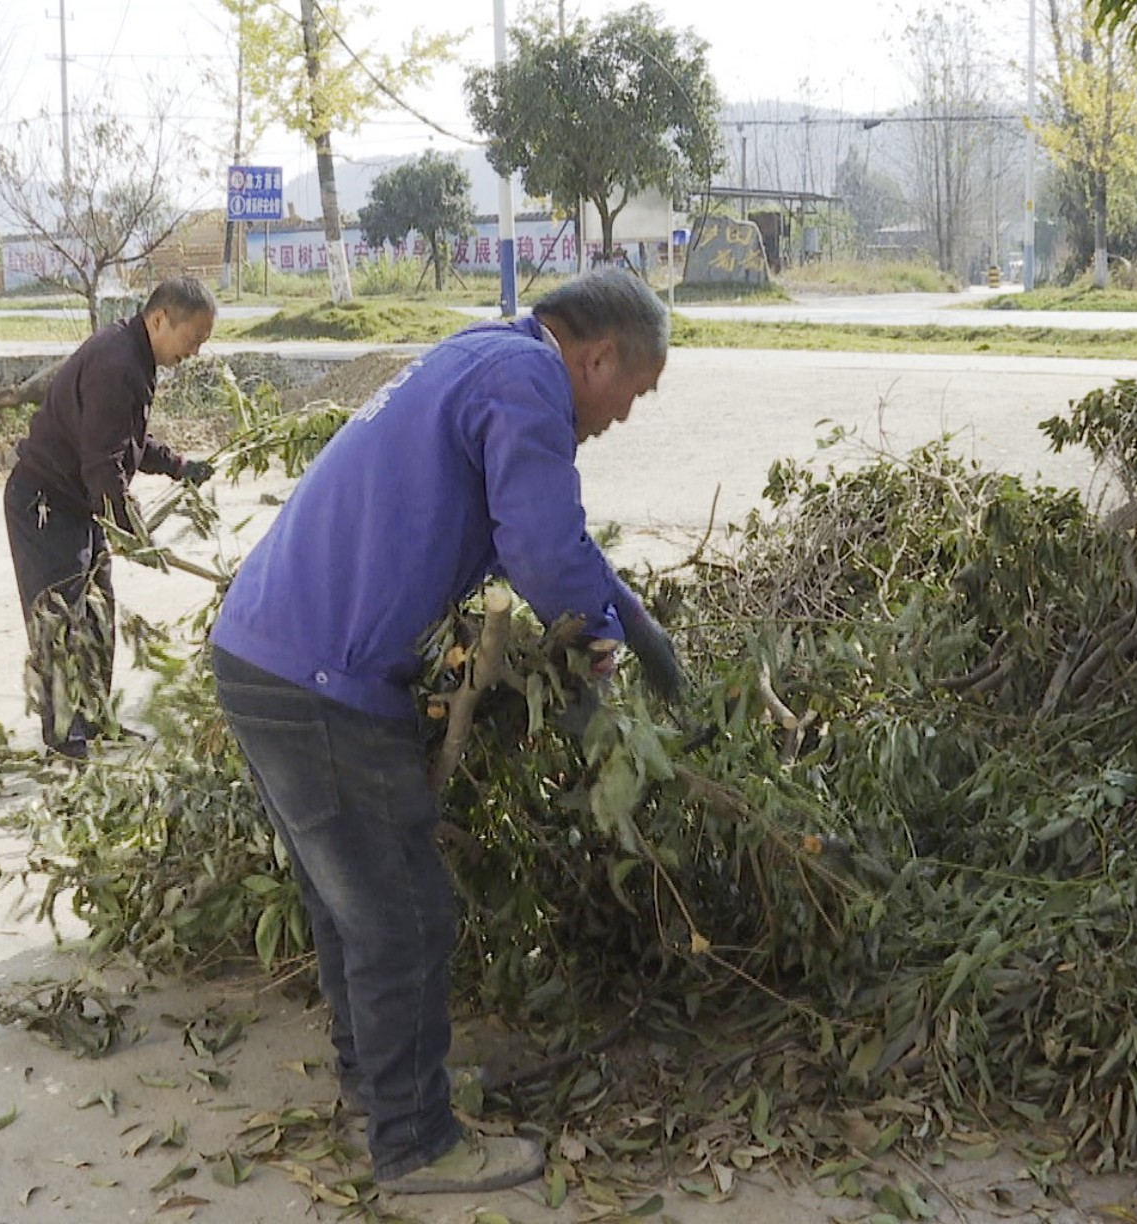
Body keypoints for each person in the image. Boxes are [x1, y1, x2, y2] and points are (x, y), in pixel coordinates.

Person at [208, 269, 685, 1194]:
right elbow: (546, 551)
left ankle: (382, 1088)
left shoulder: (485, 354)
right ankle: (416, 1143)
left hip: (264, 654)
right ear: (600, 357)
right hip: (318, 681)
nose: (627, 416)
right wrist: (601, 647)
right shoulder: (527, 385)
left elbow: (536, 536)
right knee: (405, 914)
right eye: (638, 392)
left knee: (354, 907)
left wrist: (626, 612)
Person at [4, 276, 218, 759]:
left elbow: (126, 444)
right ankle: (65, 738)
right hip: (45, 503)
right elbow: (102, 464)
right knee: (61, 620)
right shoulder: (119, 363)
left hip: (81, 505)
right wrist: (129, 530)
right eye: (194, 339)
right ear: (161, 319)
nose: (196, 352)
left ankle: (96, 721)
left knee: (97, 613)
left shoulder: (135, 358)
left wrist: (178, 467)